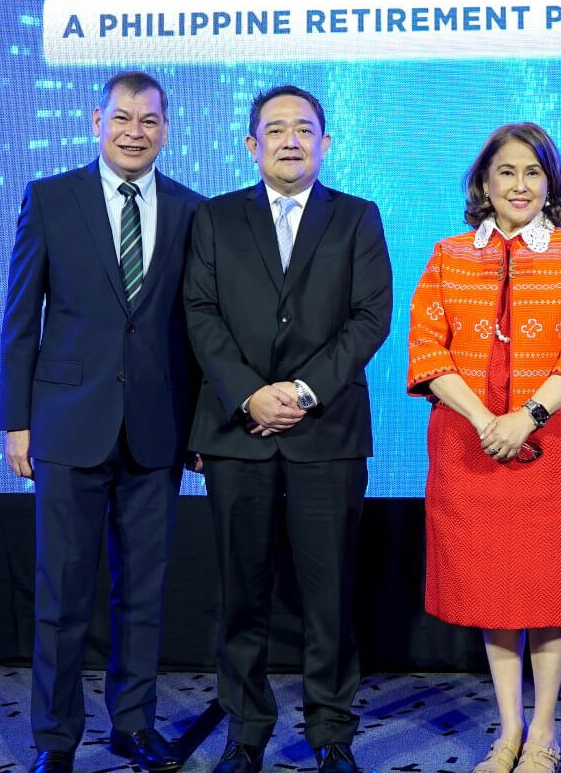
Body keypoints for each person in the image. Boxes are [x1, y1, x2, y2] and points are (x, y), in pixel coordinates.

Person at [184, 85, 392, 773]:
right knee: (240, 593)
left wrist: (301, 392)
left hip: (326, 432)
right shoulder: (214, 218)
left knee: (328, 596)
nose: (291, 140)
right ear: (252, 145)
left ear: (326, 143)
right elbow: (200, 313)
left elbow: (370, 317)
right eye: (275, 129)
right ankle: (245, 731)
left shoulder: (358, 217)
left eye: (304, 129)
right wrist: (250, 395)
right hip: (236, 433)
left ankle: (332, 732)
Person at [0, 71, 203, 773]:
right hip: (65, 426)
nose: (134, 132)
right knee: (61, 594)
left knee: (142, 591)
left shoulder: (192, 210)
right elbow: (20, 320)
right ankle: (54, 739)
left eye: (148, 120)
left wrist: (200, 429)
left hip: (157, 429)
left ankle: (133, 725)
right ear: (97, 121)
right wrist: (17, 422)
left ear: (165, 130)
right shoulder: (50, 198)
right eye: (122, 118)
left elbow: (198, 332)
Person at [407, 122, 561, 773]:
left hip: (556, 445)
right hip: (470, 445)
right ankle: (509, 730)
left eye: (533, 172)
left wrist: (527, 416)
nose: (519, 185)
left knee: (550, 592)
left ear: (551, 183)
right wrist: (483, 419)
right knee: (496, 591)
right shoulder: (447, 254)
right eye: (506, 172)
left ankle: (544, 731)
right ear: (484, 183)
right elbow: (427, 349)